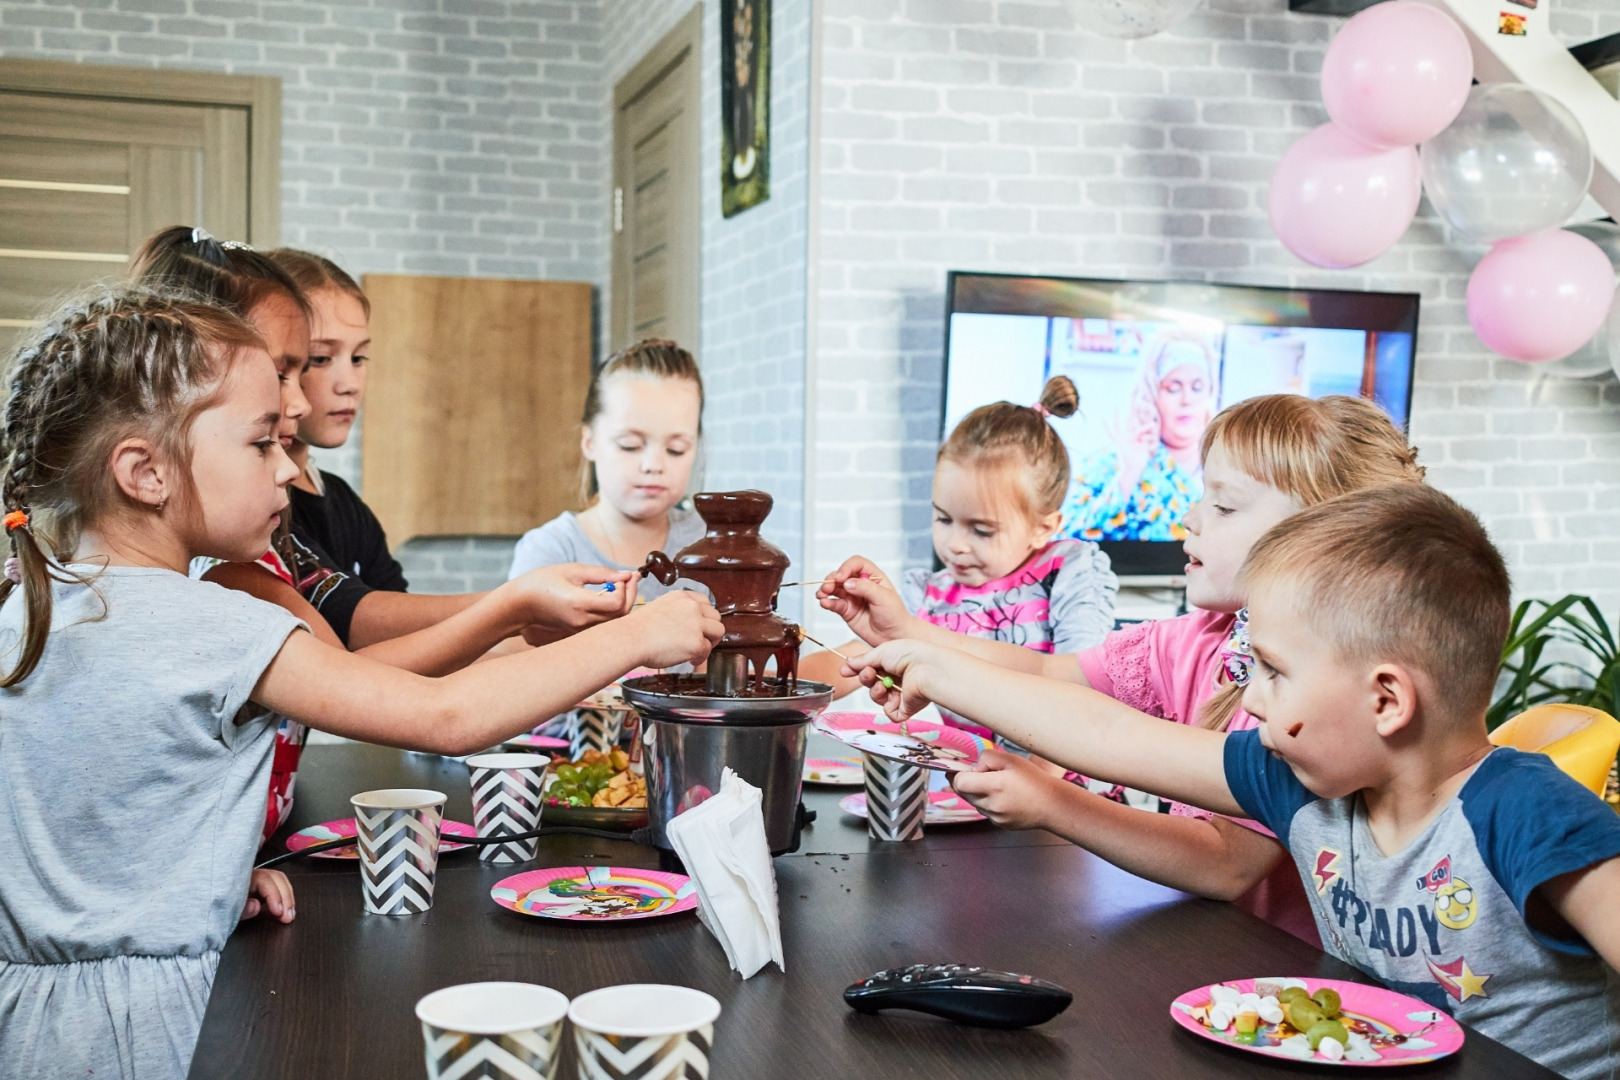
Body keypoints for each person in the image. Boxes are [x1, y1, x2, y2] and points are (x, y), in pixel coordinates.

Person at [0, 286, 723, 1080]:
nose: (287, 469)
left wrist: (184, 883)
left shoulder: (35, 602)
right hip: (156, 1032)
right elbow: (447, 716)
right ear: (143, 471)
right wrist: (637, 635)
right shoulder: (215, 621)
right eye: (260, 445)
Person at [847, 483, 1620, 1080]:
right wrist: (937, 668)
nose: (1249, 699)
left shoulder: (1525, 811)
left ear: (1387, 700)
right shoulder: (1306, 783)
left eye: (1276, 673)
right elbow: (1110, 733)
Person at [819, 395, 1425, 943]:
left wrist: (1053, 803)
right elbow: (1053, 675)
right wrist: (912, 634)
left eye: (1223, 505)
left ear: (1315, 539)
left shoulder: (1308, 689)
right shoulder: (1199, 639)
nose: (1189, 517)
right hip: (1204, 945)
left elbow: (1226, 863)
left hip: (1281, 968)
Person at [128, 228, 635, 840]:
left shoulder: (260, 554)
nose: (298, 402)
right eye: (302, 365)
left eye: (353, 356)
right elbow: (431, 707)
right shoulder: (227, 582)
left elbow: (355, 664)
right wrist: (544, 614)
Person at [800, 375, 1117, 737]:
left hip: (1064, 785)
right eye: (943, 518)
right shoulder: (930, 596)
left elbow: (1084, 693)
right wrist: (765, 681)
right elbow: (856, 656)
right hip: (982, 782)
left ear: (1043, 527)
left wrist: (1038, 784)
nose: (955, 544)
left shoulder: (1067, 573)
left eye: (981, 530)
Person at [508, 338, 707, 593]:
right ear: (590, 442)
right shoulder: (550, 552)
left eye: (676, 449)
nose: (653, 465)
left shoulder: (711, 544)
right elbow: (517, 634)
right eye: (630, 445)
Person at [264, 247, 403, 593]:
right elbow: (353, 621)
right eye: (322, 358)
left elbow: (398, 613)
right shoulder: (256, 507)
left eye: (358, 357)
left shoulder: (342, 500)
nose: (351, 385)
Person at [1062, 332, 1218, 542]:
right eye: (1173, 388)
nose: (1187, 399)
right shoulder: (1110, 462)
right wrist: (1129, 473)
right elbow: (1067, 541)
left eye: (1197, 387)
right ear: (1151, 393)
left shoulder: (1228, 463)